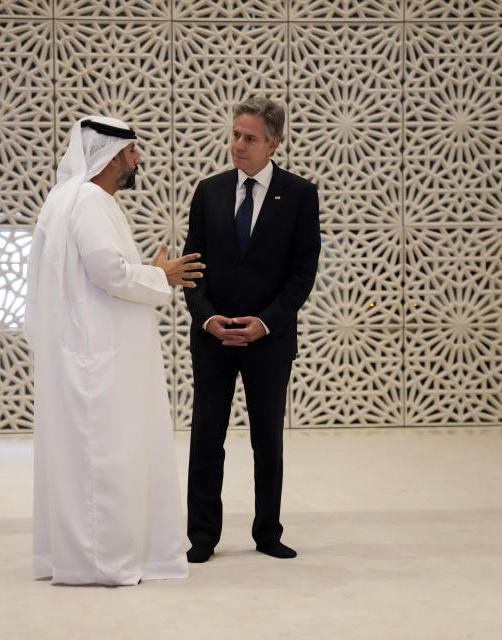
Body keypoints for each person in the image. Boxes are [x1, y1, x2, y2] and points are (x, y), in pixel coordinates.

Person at [24, 116, 204, 585]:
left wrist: (146, 272)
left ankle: (84, 556)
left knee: (89, 457)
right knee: (103, 458)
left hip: (88, 352)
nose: (138, 159)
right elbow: (110, 271)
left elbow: (101, 272)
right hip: (96, 359)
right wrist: (160, 275)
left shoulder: (70, 199)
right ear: (110, 155)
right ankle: (103, 562)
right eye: (132, 151)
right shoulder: (88, 201)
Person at [182, 97, 321, 563]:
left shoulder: (300, 195)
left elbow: (303, 274)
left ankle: (267, 532)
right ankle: (202, 535)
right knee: (206, 437)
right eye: (235, 135)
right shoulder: (209, 191)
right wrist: (207, 318)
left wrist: (264, 323)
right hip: (212, 338)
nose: (238, 145)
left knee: (267, 439)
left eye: (250, 138)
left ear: (273, 144)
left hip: (269, 341)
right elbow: (191, 268)